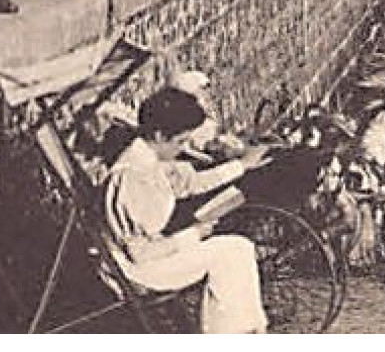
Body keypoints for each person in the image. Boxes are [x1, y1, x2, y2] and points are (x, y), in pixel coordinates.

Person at [103, 87, 270, 334]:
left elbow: (189, 184)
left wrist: (241, 165)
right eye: (181, 141)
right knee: (231, 253)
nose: (183, 149)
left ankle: (241, 332)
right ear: (160, 136)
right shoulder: (135, 175)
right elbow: (140, 253)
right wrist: (194, 234)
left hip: (153, 253)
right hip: (140, 269)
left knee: (238, 248)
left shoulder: (146, 159)